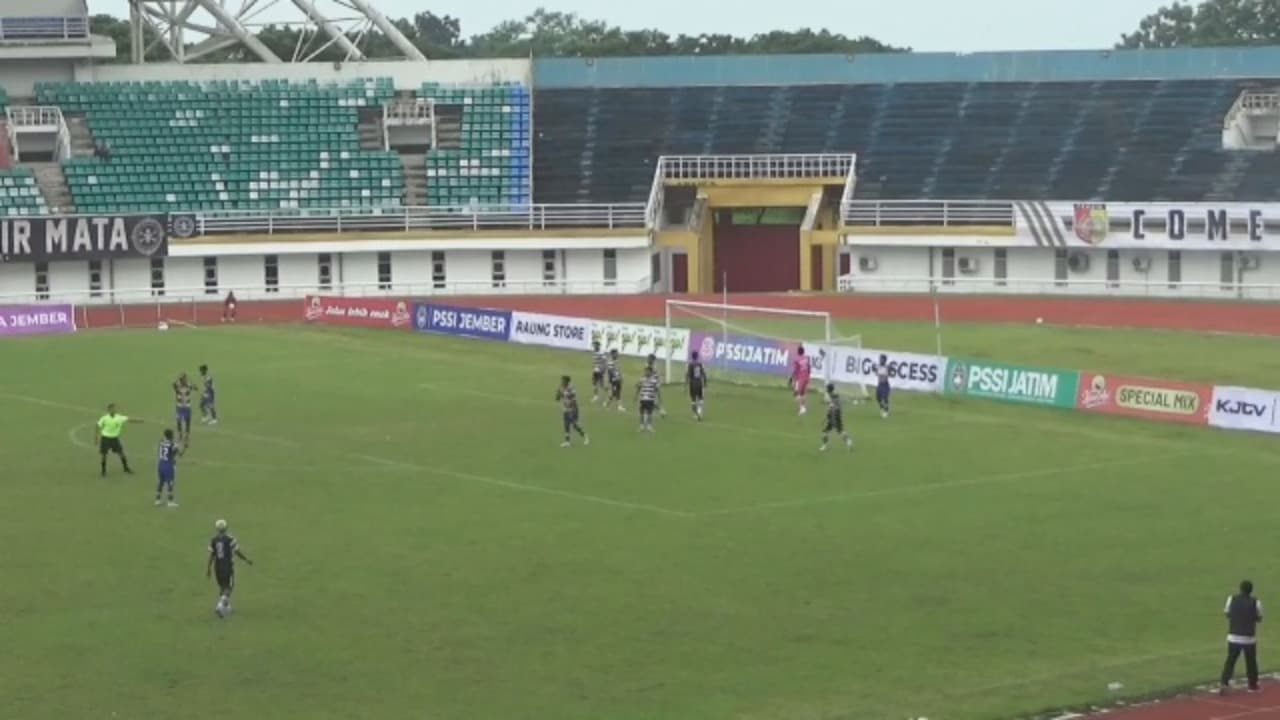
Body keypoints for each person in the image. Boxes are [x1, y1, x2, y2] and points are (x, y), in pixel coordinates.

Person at [1221, 580, 1263, 695]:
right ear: (1251, 590)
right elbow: (1259, 618)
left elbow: (1227, 613)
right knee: (1251, 662)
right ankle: (1252, 686)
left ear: (1240, 589)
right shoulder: (1256, 602)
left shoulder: (1231, 599)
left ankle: (1224, 683)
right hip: (1249, 638)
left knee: (1230, 661)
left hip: (1233, 636)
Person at [207, 519, 252, 617]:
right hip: (227, 566)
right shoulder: (230, 539)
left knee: (222, 586)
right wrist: (246, 559)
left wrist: (209, 568)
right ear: (226, 528)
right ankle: (220, 606)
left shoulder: (213, 540)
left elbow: (211, 555)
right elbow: (237, 551)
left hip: (217, 567)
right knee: (229, 587)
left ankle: (226, 608)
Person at [96, 403, 140, 476]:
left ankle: (126, 468)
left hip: (114, 439)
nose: (113, 410)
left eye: (114, 409)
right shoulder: (104, 418)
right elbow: (98, 425)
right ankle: (103, 471)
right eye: (111, 409)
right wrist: (96, 437)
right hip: (105, 438)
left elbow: (129, 419)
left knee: (121, 453)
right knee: (104, 455)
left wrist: (138, 421)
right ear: (108, 410)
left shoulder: (119, 417)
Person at [555, 375, 589, 448]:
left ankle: (585, 436)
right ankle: (567, 442)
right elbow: (557, 399)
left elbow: (573, 400)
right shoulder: (561, 388)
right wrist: (558, 393)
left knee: (574, 425)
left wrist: (570, 409)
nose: (561, 382)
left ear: (567, 381)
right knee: (566, 425)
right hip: (565, 409)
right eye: (561, 380)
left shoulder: (571, 388)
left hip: (573, 408)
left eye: (563, 380)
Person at [819, 382, 854, 452]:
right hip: (834, 415)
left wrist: (830, 417)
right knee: (831, 431)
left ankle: (848, 442)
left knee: (837, 431)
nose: (827, 391)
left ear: (829, 390)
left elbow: (834, 407)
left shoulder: (833, 396)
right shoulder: (834, 395)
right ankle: (848, 442)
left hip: (834, 415)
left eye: (827, 389)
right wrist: (827, 416)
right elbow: (834, 406)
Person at [155, 429, 182, 507]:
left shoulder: (161, 441)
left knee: (161, 482)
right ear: (171, 436)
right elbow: (179, 454)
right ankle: (170, 501)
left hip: (160, 464)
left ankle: (157, 500)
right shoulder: (173, 444)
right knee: (170, 483)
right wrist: (184, 448)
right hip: (168, 465)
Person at [636, 367, 662, 432]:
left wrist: (659, 398)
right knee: (641, 413)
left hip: (650, 399)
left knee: (650, 413)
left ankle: (649, 426)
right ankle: (641, 426)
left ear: (650, 372)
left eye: (647, 371)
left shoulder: (654, 380)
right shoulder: (642, 379)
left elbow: (657, 390)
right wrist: (636, 396)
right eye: (645, 371)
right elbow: (638, 387)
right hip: (642, 398)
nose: (646, 372)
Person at [687, 350, 709, 421]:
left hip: (693, 383)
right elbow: (703, 373)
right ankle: (699, 411)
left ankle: (695, 414)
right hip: (699, 382)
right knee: (701, 398)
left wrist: (685, 384)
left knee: (693, 399)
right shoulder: (700, 364)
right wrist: (705, 382)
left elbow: (688, 375)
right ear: (697, 357)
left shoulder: (690, 365)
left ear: (692, 357)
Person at [790, 345, 812, 416]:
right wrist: (808, 375)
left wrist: (791, 378)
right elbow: (809, 367)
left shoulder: (796, 360)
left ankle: (802, 408)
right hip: (806, 378)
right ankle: (803, 407)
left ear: (798, 352)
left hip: (800, 379)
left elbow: (795, 370)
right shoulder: (806, 358)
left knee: (796, 393)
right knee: (803, 393)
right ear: (803, 352)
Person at [173, 373, 194, 444]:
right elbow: (173, 384)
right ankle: (180, 435)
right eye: (182, 379)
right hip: (179, 407)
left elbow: (194, 387)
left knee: (187, 421)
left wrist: (188, 381)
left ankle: (187, 436)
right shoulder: (177, 388)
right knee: (179, 421)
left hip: (187, 407)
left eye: (184, 379)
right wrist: (178, 378)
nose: (183, 381)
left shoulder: (188, 386)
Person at [875, 353, 892, 419]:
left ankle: (886, 411)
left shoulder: (887, 367)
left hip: (885, 385)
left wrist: (890, 369)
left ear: (884, 360)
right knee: (878, 398)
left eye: (881, 359)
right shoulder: (878, 366)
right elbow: (877, 374)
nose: (880, 360)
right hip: (879, 384)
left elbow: (889, 373)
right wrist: (875, 370)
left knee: (885, 398)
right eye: (880, 359)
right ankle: (882, 407)